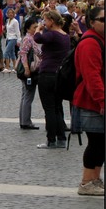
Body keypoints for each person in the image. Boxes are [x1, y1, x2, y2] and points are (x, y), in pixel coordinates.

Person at [72, 5, 105, 196]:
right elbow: (92, 76)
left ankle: (95, 179)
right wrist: (103, 101)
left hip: (96, 100)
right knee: (96, 142)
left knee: (102, 142)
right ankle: (86, 182)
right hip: (90, 101)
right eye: (103, 20)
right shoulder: (90, 43)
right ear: (92, 22)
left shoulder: (101, 39)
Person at [34, 10, 72, 149]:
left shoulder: (52, 35)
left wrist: (38, 29)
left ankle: (51, 140)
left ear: (51, 20)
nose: (44, 23)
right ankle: (61, 138)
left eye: (45, 20)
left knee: (49, 109)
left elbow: (37, 38)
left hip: (47, 74)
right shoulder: (65, 36)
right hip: (59, 75)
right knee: (57, 108)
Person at [18, 18, 42, 130]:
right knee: (28, 95)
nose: (36, 28)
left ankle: (24, 120)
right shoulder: (28, 39)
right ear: (28, 28)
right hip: (29, 71)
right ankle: (26, 121)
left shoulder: (30, 38)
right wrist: (27, 68)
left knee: (25, 95)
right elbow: (23, 54)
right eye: (34, 27)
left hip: (30, 70)